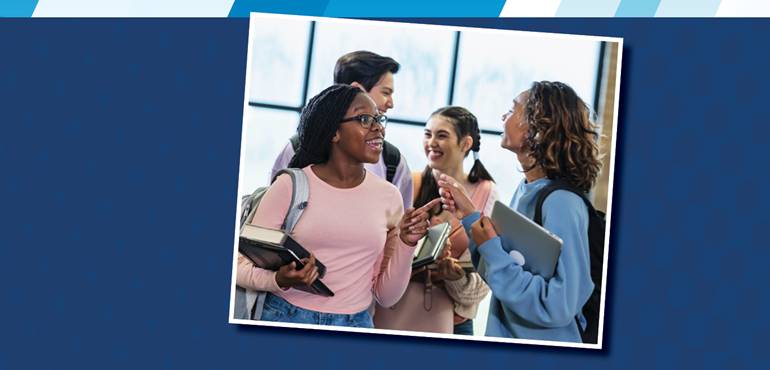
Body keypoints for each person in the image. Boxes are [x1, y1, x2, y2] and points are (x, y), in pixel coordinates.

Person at [236, 84, 440, 328]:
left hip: (356, 323)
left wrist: (407, 243)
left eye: (378, 119)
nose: (378, 127)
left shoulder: (389, 196)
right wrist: (278, 280)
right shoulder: (289, 186)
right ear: (334, 132)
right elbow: (237, 265)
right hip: (284, 317)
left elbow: (386, 297)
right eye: (364, 119)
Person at [435, 81, 601, 342]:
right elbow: (502, 272)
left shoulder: (562, 202)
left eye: (513, 110)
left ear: (538, 128)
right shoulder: (526, 189)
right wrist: (469, 216)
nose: (504, 116)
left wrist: (489, 246)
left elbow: (558, 306)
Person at [371, 107, 498, 335]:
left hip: (454, 320)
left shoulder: (487, 192)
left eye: (442, 135)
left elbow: (485, 275)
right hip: (395, 309)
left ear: (466, 143)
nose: (431, 142)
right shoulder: (410, 182)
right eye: (427, 134)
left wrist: (456, 278)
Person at [269, 51, 413, 210]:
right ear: (356, 89)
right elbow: (274, 210)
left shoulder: (393, 161)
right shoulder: (294, 149)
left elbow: (400, 220)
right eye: (386, 93)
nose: (391, 103)